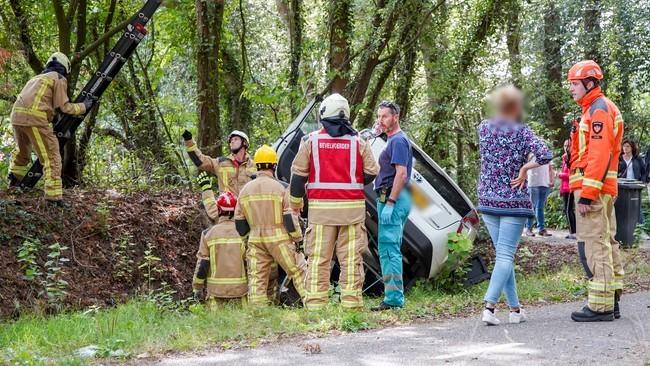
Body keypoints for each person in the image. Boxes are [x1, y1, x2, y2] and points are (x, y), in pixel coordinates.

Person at [289, 93, 378, 311]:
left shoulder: (310, 141)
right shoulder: (359, 142)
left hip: (321, 214)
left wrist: (295, 202)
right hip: (352, 213)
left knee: (319, 259)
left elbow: (298, 175)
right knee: (350, 260)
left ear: (323, 114)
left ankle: (316, 306)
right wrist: (354, 181)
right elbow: (372, 172)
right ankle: (351, 306)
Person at [477, 85, 552, 325]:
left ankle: (515, 310)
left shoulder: (483, 128)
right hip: (513, 200)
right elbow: (545, 154)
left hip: (487, 199)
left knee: (503, 256)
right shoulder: (522, 132)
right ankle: (489, 306)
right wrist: (524, 168)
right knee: (506, 255)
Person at [567, 60, 624, 322]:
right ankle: (611, 301)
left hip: (594, 190)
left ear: (590, 83)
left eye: (575, 84)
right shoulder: (599, 108)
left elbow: (598, 156)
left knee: (594, 244)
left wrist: (587, 194)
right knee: (607, 242)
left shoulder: (598, 110)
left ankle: (600, 307)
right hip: (604, 188)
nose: (571, 89)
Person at [8, 52, 91, 203]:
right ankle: (53, 198)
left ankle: (14, 181)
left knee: (22, 152)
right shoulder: (58, 78)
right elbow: (63, 107)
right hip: (34, 118)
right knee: (52, 156)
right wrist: (83, 107)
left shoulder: (36, 78)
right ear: (65, 67)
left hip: (16, 116)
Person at [235, 145, 307, 306]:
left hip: (255, 239)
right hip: (279, 239)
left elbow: (239, 223)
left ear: (257, 165)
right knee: (298, 271)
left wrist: (248, 238)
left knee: (257, 278)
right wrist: (297, 239)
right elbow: (289, 217)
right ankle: (313, 306)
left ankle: (258, 313)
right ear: (274, 165)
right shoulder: (281, 188)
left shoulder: (245, 190)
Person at [371, 101, 413, 311]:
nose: (381, 120)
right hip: (391, 197)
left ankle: (393, 299)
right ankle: (393, 296)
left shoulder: (398, 141)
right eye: (379, 117)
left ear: (395, 117)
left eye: (385, 116)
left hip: (392, 198)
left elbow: (402, 173)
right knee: (388, 247)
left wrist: (390, 202)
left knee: (389, 249)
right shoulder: (393, 140)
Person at [191, 187, 247, 304]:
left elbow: (203, 264)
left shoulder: (208, 234)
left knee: (217, 322)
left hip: (216, 293)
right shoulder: (244, 233)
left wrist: (197, 287)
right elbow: (250, 262)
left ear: (219, 210)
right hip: (240, 292)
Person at [182, 129, 256, 197]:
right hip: (227, 209)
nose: (232, 142)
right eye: (231, 140)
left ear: (244, 143)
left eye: (236, 139)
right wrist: (189, 142)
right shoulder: (221, 163)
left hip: (248, 210)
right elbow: (200, 161)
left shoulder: (254, 166)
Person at [525, 161, 555, 237]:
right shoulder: (530, 152)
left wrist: (552, 180)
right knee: (532, 207)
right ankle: (529, 228)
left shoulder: (547, 153)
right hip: (532, 183)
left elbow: (550, 169)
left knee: (540, 208)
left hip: (545, 183)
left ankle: (541, 229)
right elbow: (524, 167)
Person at [558, 139, 577, 239]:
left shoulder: (572, 158)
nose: (566, 148)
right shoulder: (565, 158)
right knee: (567, 209)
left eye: (568, 146)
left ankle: (573, 232)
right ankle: (572, 231)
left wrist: (560, 175)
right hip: (565, 188)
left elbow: (572, 174)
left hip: (570, 187)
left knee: (568, 210)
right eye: (565, 146)